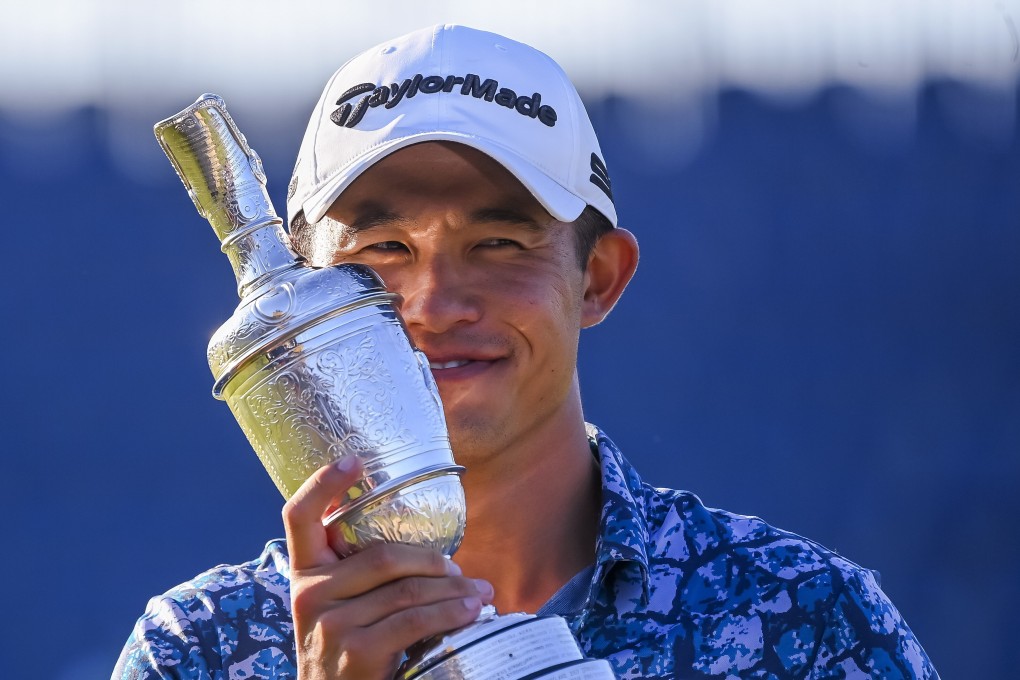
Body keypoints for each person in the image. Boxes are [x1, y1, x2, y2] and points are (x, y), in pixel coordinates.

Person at [115, 24, 938, 679]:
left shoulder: (802, 623)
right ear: (301, 289)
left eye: (502, 242)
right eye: (382, 253)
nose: (434, 305)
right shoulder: (199, 652)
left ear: (600, 278)